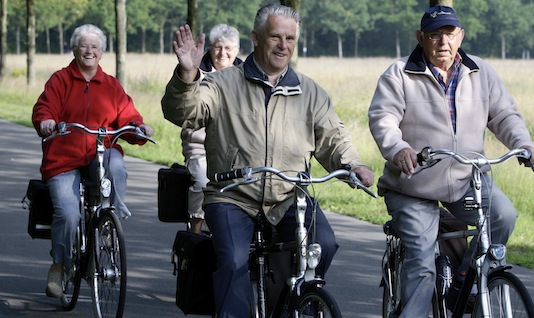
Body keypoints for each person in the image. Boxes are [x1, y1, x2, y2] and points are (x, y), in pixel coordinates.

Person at [161, 4, 375, 317]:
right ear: (256, 37)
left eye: (289, 38)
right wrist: (188, 74)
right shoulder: (223, 84)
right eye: (275, 36)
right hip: (232, 195)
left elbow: (333, 137)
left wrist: (352, 165)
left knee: (323, 244)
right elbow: (183, 112)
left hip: (288, 197)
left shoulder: (310, 92)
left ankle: (293, 304)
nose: (283, 45)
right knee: (233, 261)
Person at [368, 5, 534, 317]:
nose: (442, 42)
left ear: (460, 36)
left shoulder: (480, 72)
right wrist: (399, 149)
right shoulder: (399, 74)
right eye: (434, 35)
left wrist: (523, 144)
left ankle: (467, 280)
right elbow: (383, 119)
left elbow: (504, 115)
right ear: (421, 38)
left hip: (465, 179)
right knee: (421, 263)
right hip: (413, 185)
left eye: (449, 34)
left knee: (503, 215)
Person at [32, 24, 154, 299]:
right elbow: (44, 108)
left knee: (117, 166)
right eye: (84, 45)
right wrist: (47, 121)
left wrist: (138, 128)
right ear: (75, 49)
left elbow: (127, 115)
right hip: (63, 157)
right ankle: (59, 265)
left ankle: (109, 222)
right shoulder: (60, 80)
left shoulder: (111, 85)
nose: (89, 51)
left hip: (100, 150)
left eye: (95, 46)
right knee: (68, 213)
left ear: (102, 52)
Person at [166, 24, 243, 234]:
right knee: (202, 181)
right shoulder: (196, 72)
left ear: (237, 50)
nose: (223, 53)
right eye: (218, 47)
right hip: (200, 148)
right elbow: (181, 104)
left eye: (228, 48)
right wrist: (187, 71)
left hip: (236, 152)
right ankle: (195, 232)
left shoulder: (245, 77)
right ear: (210, 48)